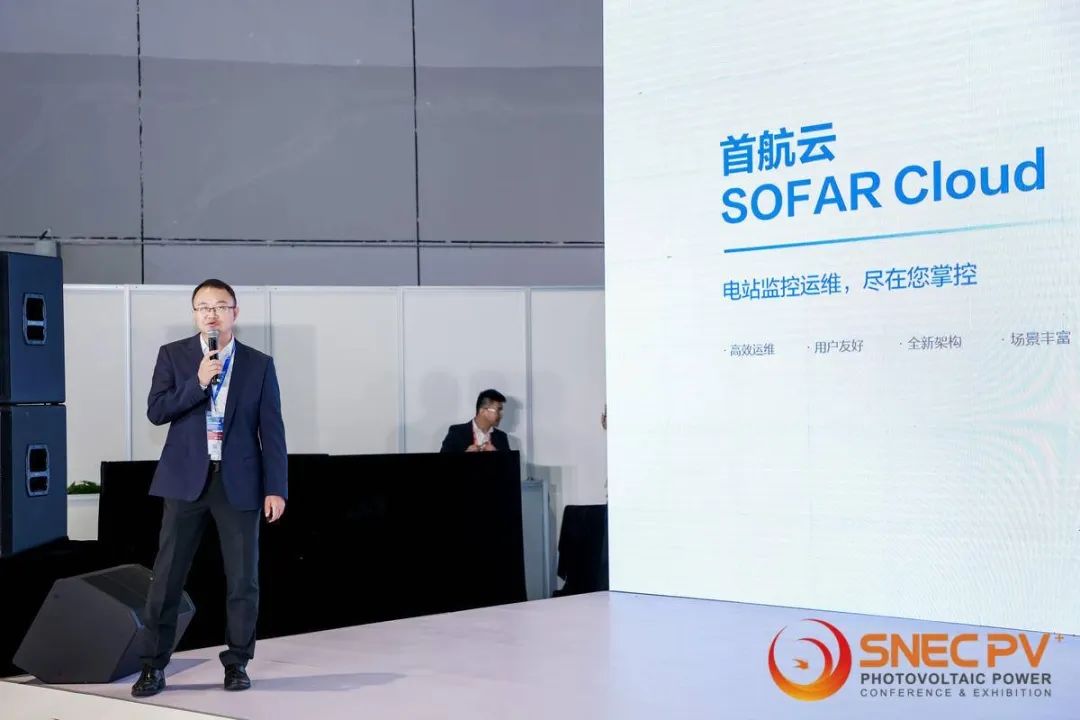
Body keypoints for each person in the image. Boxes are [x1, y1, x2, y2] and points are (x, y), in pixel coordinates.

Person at [132, 279, 287, 698]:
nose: (211, 314)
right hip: (185, 480)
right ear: (194, 314)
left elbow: (272, 429)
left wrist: (276, 487)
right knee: (167, 576)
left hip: (239, 482)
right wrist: (198, 382)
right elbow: (156, 411)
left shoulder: (258, 364)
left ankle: (237, 662)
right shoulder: (174, 355)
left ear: (235, 312)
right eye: (203, 307)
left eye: (220, 306)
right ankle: (152, 665)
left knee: (243, 579)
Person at [440, 389, 510, 452]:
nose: (501, 415)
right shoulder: (456, 433)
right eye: (498, 410)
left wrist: (498, 455)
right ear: (482, 411)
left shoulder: (501, 437)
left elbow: (509, 462)